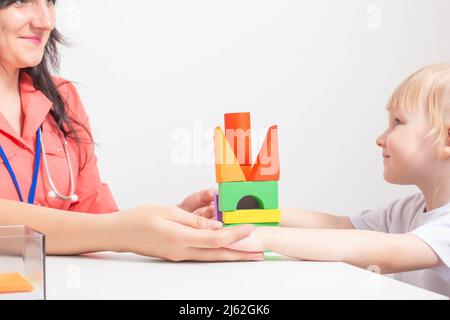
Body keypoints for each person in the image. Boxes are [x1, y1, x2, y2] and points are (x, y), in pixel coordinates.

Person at [0, 0, 263, 262]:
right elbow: (110, 231)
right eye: (21, 2)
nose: (45, 21)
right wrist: (125, 231)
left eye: (50, 2)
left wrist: (169, 225)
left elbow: (95, 223)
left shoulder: (62, 98)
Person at [226, 64, 450, 296]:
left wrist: (256, 235)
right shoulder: (407, 210)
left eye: (398, 122)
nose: (380, 139)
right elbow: (339, 226)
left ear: (447, 139)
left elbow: (386, 254)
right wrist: (246, 213)